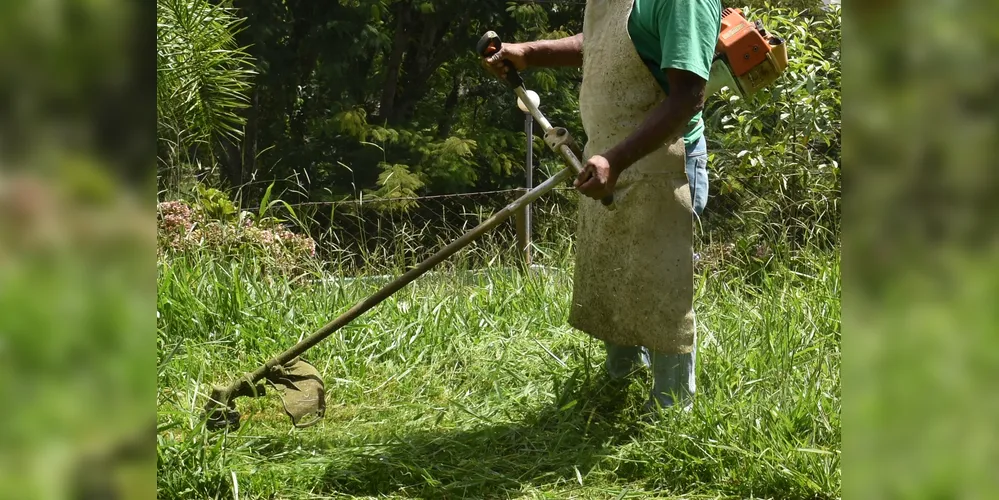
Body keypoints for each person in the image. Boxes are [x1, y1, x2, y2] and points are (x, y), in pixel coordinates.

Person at [484, 0, 721, 413]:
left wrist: (615, 160)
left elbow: (688, 97)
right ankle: (618, 387)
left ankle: (670, 409)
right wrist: (531, 52)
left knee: (660, 280)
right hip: (612, 153)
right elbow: (607, 43)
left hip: (664, 161)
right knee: (618, 272)